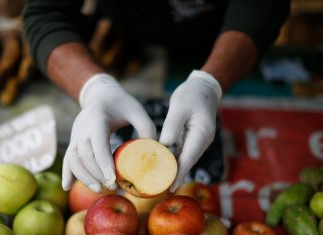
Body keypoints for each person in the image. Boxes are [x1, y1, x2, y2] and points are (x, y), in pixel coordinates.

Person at [22, 0, 291, 193]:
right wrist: (92, 87)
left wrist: (212, 82)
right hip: (124, 47)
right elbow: (44, 12)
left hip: (224, 45)